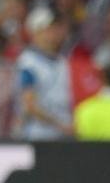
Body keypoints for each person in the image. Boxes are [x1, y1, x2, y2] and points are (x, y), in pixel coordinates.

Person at [14, 7, 73, 139]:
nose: (53, 33)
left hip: (63, 132)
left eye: (54, 28)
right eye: (47, 29)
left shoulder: (62, 61)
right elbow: (29, 104)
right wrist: (60, 125)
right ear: (35, 33)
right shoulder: (28, 62)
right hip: (38, 134)